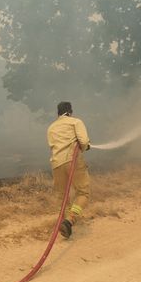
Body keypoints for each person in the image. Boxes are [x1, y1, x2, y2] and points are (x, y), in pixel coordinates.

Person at [46, 101, 91, 239]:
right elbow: (83, 141)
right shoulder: (75, 122)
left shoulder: (51, 128)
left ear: (58, 113)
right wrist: (86, 147)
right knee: (83, 192)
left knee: (63, 196)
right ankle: (70, 219)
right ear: (70, 112)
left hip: (56, 164)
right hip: (73, 161)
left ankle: (65, 224)